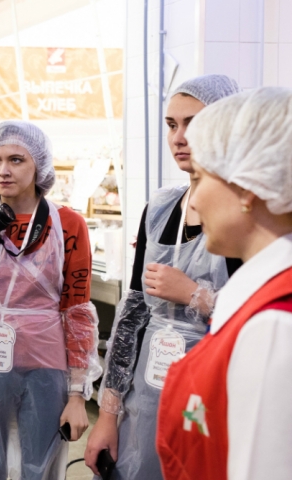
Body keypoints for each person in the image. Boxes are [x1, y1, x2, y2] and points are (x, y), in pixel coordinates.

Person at [85, 74, 241, 479]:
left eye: (194, 123)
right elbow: (132, 316)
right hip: (147, 396)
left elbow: (262, 319)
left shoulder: (247, 214)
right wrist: (108, 414)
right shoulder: (160, 209)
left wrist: (194, 295)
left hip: (212, 400)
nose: (179, 137)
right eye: (172, 125)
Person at [0, 121, 102, 480]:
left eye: (16, 160)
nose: (3, 171)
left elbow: (77, 312)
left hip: (45, 368)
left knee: (38, 471)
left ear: (38, 165)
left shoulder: (68, 224)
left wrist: (77, 394)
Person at [156, 86, 292, 479]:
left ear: (247, 188)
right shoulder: (259, 298)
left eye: (200, 179)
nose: (195, 202)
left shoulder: (272, 325)